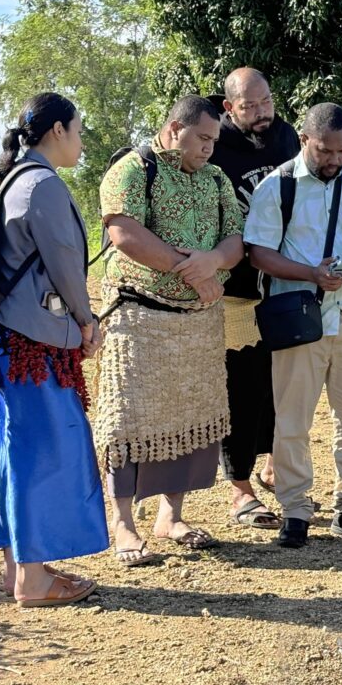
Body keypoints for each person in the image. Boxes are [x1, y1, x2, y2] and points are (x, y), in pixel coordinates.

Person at [0, 92, 107, 607]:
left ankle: (18, 568)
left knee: (8, 453)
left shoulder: (6, 181)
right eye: (79, 130)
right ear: (58, 131)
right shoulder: (41, 185)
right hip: (28, 346)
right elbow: (67, 267)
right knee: (43, 455)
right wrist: (87, 324)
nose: (82, 142)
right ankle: (34, 581)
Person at [93, 95, 244, 564]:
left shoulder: (217, 179)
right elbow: (124, 233)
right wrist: (192, 270)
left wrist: (215, 262)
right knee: (128, 420)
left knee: (188, 419)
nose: (209, 149)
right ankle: (122, 524)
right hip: (138, 316)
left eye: (214, 141)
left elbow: (235, 239)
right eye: (202, 138)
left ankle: (170, 516)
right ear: (175, 128)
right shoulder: (133, 169)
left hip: (197, 322)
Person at [245, 102, 342, 549]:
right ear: (306, 141)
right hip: (300, 318)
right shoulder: (278, 187)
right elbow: (258, 253)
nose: (334, 159)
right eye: (325, 150)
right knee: (292, 418)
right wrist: (312, 273)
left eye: (341, 150)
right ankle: (295, 510)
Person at [209, 67, 300, 529]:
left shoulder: (285, 138)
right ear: (229, 108)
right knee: (240, 390)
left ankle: (273, 466)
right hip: (234, 292)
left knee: (283, 384)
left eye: (266, 102)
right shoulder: (214, 146)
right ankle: (239, 489)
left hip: (282, 285)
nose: (262, 113)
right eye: (250, 106)